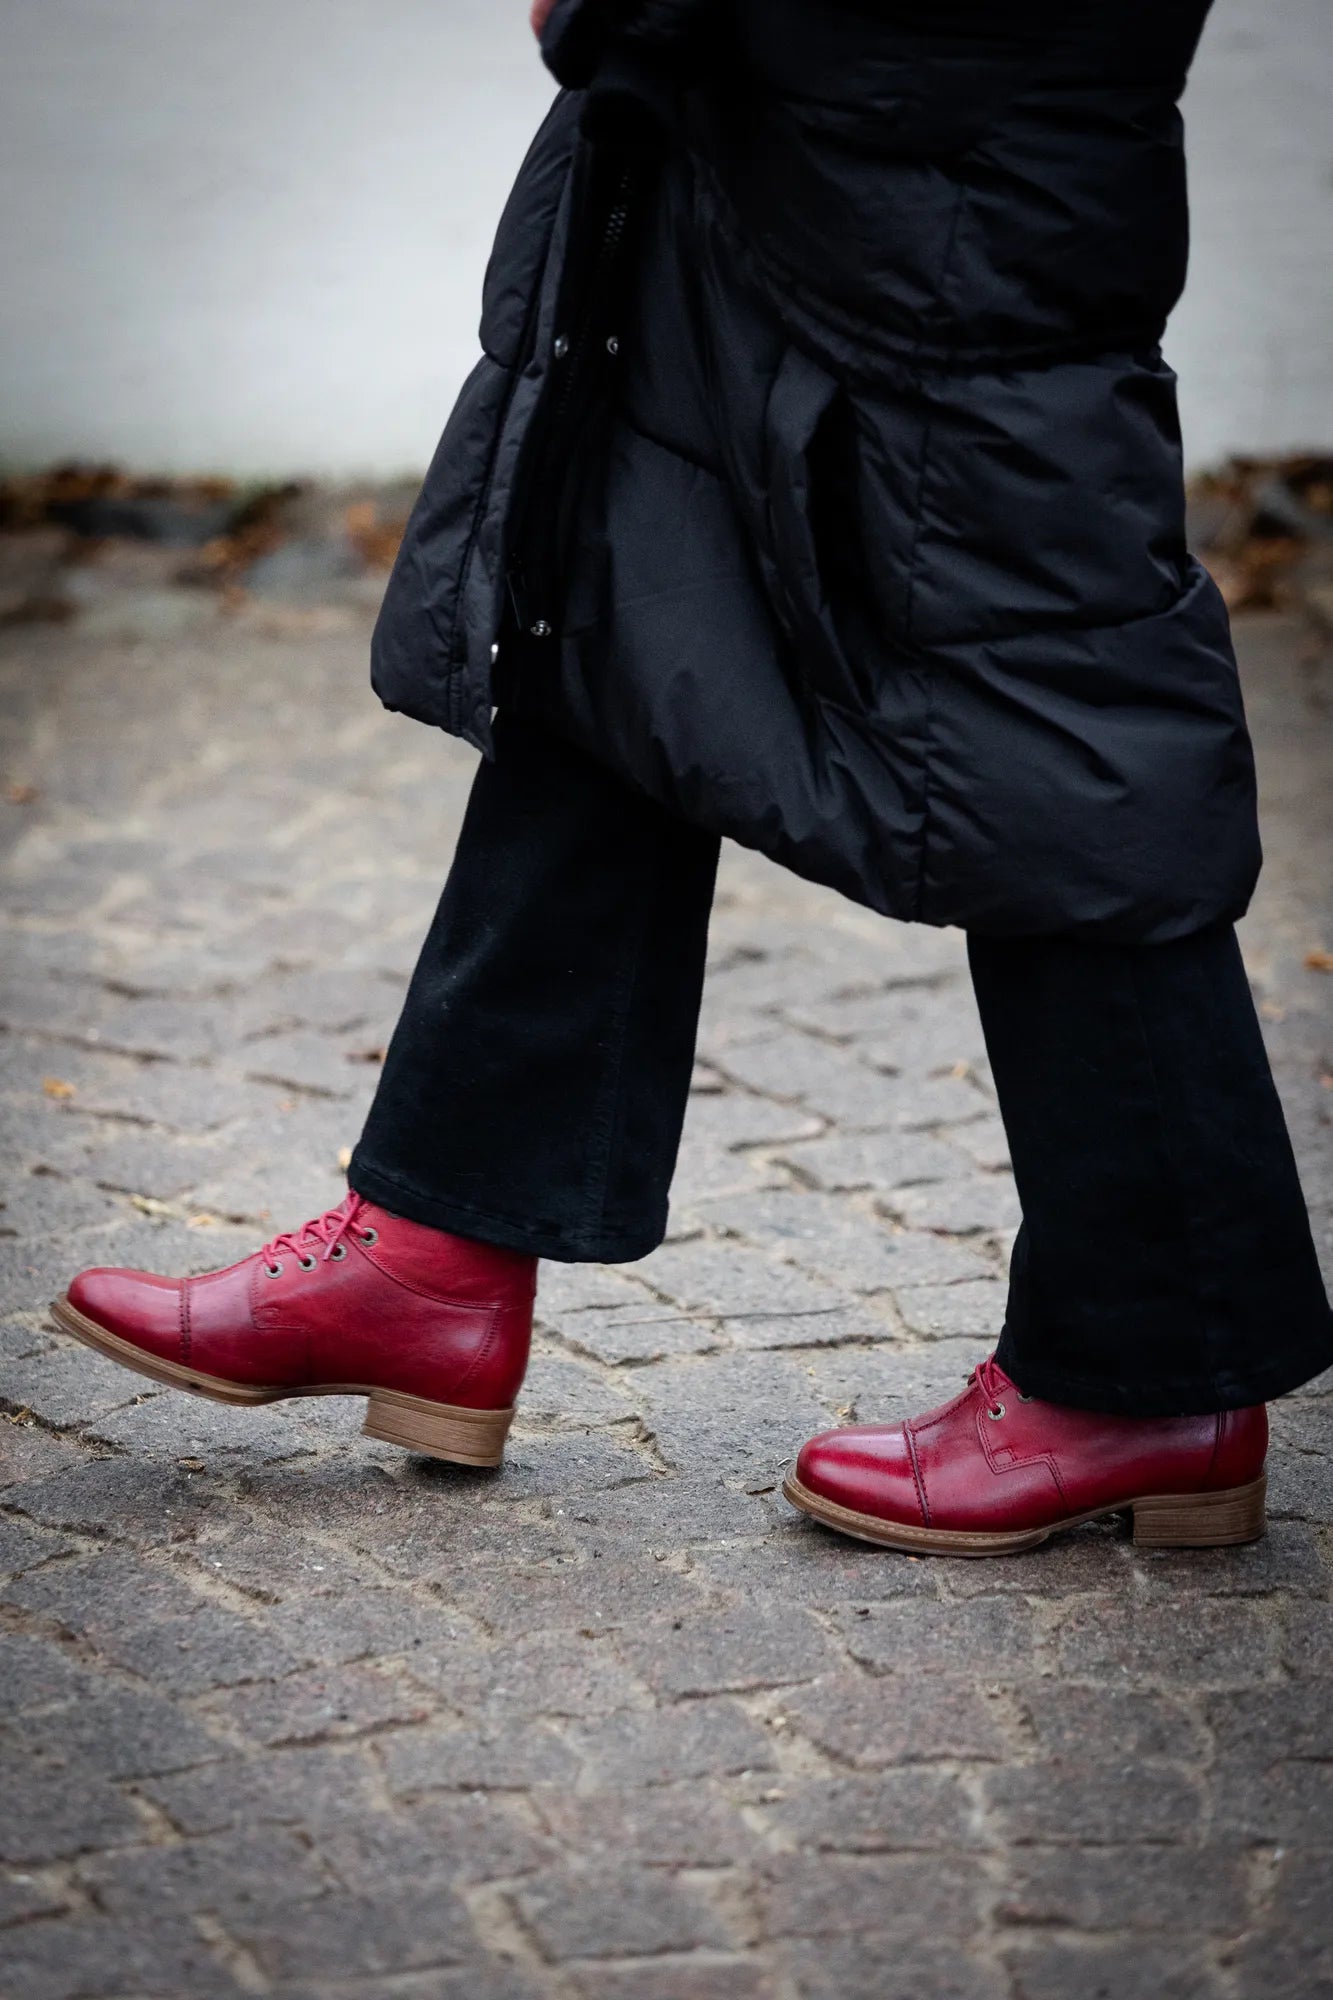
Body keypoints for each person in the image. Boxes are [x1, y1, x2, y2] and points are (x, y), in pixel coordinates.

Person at [54, 0, 1331, 1557]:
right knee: (612, 573)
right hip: (806, 111)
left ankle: (1154, 1368)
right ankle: (434, 1252)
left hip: (943, 137)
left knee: (1049, 717)